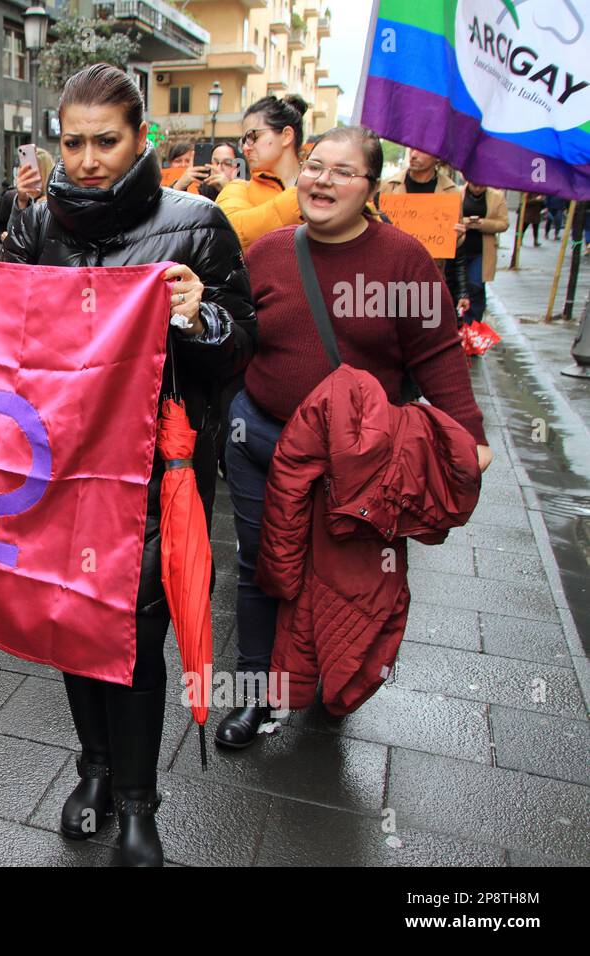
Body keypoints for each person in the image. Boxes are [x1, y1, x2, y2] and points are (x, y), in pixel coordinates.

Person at [1, 63, 257, 866]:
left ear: (141, 137)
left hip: (153, 474)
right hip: (60, 469)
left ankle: (140, 805)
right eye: (72, 141)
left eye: (104, 141)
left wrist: (199, 316)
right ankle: (96, 770)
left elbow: (240, 347)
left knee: (138, 639)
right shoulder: (39, 225)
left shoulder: (199, 223)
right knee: (75, 627)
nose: (85, 159)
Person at [217, 126, 491, 750]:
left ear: (370, 187)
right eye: (314, 167)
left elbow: (439, 354)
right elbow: (236, 339)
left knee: (347, 574)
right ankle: (256, 697)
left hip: (358, 463)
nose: (323, 181)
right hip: (262, 444)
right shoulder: (268, 252)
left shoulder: (403, 260)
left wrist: (469, 437)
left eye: (343, 172)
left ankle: (333, 680)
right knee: (261, 568)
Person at [379, 149, 469, 319]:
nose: (413, 155)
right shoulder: (388, 186)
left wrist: (458, 236)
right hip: (390, 279)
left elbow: (456, 250)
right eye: (411, 149)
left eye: (421, 151)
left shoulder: (451, 192)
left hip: (429, 279)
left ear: (437, 157)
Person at [216, 94, 308, 250]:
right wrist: (300, 198)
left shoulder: (323, 184)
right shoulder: (239, 189)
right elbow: (231, 232)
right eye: (244, 140)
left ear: (286, 136)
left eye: (253, 136)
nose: (246, 147)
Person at [456, 180, 509, 327]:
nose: (478, 188)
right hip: (458, 249)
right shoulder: (455, 192)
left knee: (475, 286)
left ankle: (472, 325)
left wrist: (482, 224)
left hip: (481, 251)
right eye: (474, 184)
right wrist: (464, 222)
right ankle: (458, 324)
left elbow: (503, 223)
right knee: (457, 286)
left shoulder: (497, 197)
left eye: (481, 185)